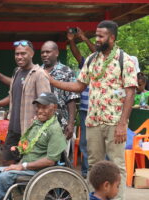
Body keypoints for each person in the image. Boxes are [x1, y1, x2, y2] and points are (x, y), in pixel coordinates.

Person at [49, 20, 138, 200]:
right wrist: (52, 81)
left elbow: (130, 94)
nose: (96, 39)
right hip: (93, 121)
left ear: (111, 38)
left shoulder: (124, 59)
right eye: (96, 35)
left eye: (100, 36)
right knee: (93, 165)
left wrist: (122, 124)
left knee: (116, 165)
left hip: (115, 122)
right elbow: (79, 86)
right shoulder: (91, 59)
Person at [0, 92, 67, 200]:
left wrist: (22, 166)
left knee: (4, 177)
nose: (40, 111)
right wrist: (19, 157)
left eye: (44, 107)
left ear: (54, 108)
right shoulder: (37, 123)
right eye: (38, 107)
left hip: (39, 171)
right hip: (26, 166)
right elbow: (27, 147)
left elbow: (50, 161)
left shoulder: (54, 129)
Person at [0, 40, 51, 165]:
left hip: (29, 131)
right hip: (13, 129)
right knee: (7, 163)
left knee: (26, 166)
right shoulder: (17, 72)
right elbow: (12, 97)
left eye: (23, 54)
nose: (19, 57)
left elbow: (46, 103)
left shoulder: (39, 74)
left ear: (32, 54)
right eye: (17, 54)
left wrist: (38, 126)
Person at [67, 27, 96, 178]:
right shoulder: (86, 64)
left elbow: (96, 52)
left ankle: (100, 173)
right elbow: (77, 55)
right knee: (84, 142)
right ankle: (86, 173)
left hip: (100, 110)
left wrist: (84, 37)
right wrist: (72, 41)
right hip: (85, 109)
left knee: (99, 143)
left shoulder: (104, 63)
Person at [40, 41, 80, 140]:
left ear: (56, 53)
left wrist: (71, 123)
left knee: (58, 154)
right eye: (42, 52)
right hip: (39, 123)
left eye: (48, 52)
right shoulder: (37, 71)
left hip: (60, 123)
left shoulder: (67, 72)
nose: (44, 55)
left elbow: (72, 99)